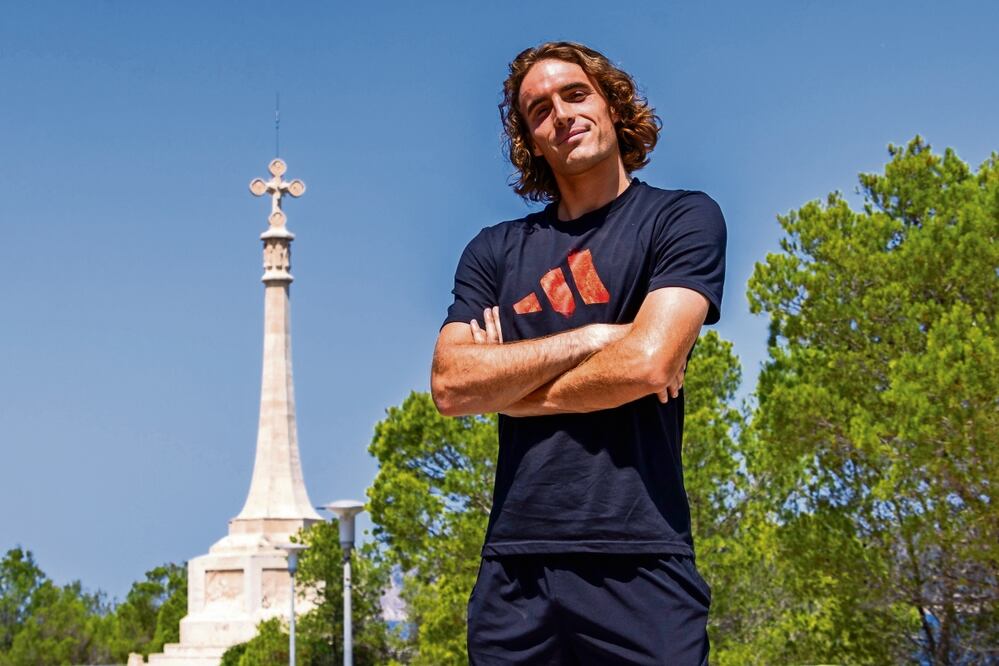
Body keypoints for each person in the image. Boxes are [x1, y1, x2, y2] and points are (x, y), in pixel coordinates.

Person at [431, 41, 726, 665]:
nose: (560, 115)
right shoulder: (494, 252)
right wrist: (595, 339)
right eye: (538, 110)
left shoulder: (681, 219)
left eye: (575, 94)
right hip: (515, 569)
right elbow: (453, 386)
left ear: (613, 106)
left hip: (642, 555)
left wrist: (512, 391)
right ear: (530, 141)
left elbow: (650, 362)